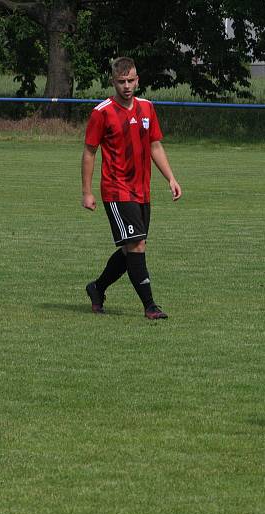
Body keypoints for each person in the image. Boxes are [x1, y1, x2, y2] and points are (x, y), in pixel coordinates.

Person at [81, 56, 182, 319]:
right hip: (116, 190)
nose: (126, 86)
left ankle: (97, 287)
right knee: (136, 245)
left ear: (138, 80)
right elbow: (90, 152)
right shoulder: (101, 112)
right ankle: (150, 306)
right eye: (121, 81)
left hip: (142, 190)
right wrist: (87, 191)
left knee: (130, 248)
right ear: (113, 82)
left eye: (130, 80)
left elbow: (155, 145)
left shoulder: (147, 108)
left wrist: (170, 178)